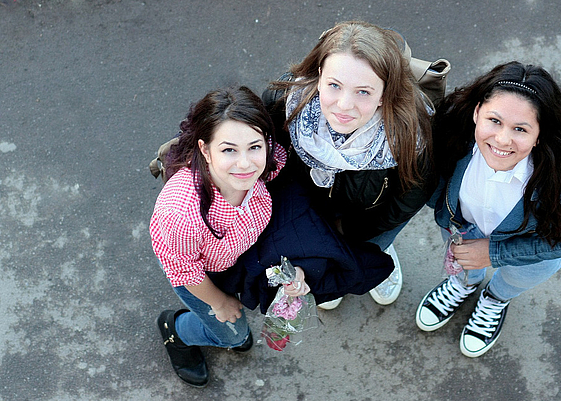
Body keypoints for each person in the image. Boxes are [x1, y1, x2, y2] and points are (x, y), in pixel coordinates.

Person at [415, 61, 561, 357]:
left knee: (513, 279)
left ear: (540, 134)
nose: (503, 140)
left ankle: (495, 299)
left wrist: (494, 253)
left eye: (520, 129)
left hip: (532, 252)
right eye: (494, 120)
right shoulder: (452, 137)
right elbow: (430, 184)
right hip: (463, 230)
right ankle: (462, 283)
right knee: (465, 265)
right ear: (477, 112)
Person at [263, 21, 437, 308]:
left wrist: (359, 238)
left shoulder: (410, 134)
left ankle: (376, 251)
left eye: (364, 92)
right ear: (319, 76)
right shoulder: (286, 100)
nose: (344, 105)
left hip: (370, 218)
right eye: (334, 85)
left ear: (385, 93)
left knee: (363, 256)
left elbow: (408, 200)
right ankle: (326, 266)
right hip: (309, 208)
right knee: (325, 280)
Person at [150, 86, 309, 387]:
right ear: (205, 149)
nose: (246, 164)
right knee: (232, 335)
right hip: (196, 269)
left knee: (239, 327)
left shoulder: (270, 160)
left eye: (254, 147)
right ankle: (177, 330)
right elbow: (184, 269)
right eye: (228, 150)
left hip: (232, 255)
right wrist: (220, 302)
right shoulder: (183, 211)